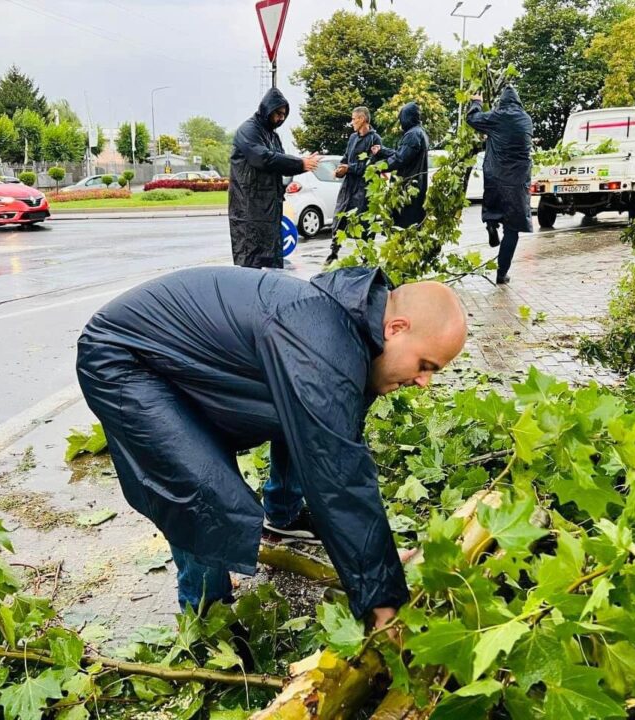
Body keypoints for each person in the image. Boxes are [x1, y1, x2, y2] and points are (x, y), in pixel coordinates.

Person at [76, 266, 467, 627]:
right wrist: (382, 596)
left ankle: (283, 515)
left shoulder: (353, 336)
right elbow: (338, 478)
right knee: (202, 489)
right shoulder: (322, 344)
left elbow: (337, 445)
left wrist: (377, 563)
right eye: (426, 365)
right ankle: (208, 619)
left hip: (181, 362)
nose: (423, 382)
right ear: (396, 328)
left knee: (313, 423)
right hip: (124, 358)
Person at [229, 88, 319, 268]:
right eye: (278, 113)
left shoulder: (272, 136)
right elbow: (263, 158)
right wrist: (299, 163)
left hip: (269, 208)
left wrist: (301, 164)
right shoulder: (249, 130)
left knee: (270, 261)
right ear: (267, 109)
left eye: (284, 114)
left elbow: (280, 163)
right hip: (249, 208)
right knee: (251, 261)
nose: (281, 118)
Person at [466, 86, 534, 285]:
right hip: (517, 182)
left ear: (501, 102)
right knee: (512, 230)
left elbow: (472, 119)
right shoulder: (526, 119)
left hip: (495, 177)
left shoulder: (496, 117)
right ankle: (501, 274)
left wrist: (476, 102)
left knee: (493, 209)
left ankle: (490, 223)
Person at [326, 106, 382, 265]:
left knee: (363, 223)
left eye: (354, 119)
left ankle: (366, 258)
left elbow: (371, 166)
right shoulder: (352, 138)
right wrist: (340, 170)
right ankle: (333, 253)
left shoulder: (375, 139)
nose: (352, 122)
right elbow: (345, 158)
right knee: (340, 218)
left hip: (364, 188)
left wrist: (350, 168)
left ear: (363, 119)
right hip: (348, 186)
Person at [371, 102, 430, 229]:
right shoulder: (420, 132)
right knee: (413, 228)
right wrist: (382, 151)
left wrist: (379, 167)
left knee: (404, 227)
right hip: (416, 186)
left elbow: (400, 158)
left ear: (406, 117)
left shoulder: (412, 134)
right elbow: (404, 153)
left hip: (407, 187)